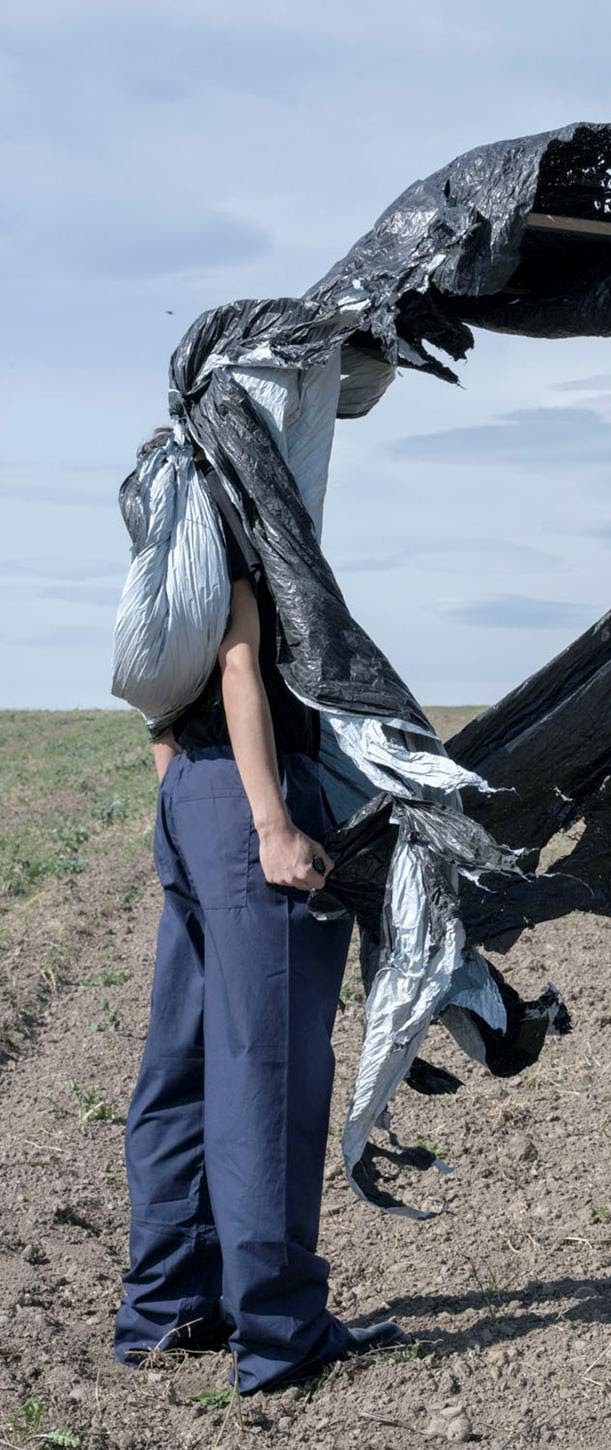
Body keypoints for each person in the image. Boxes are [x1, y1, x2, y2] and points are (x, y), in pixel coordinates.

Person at [113, 449, 410, 1394]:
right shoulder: (239, 504)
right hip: (251, 801)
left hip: (192, 797)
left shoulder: (168, 514)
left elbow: (160, 691)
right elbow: (239, 663)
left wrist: (183, 802)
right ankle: (280, 1336)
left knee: (185, 1062)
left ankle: (167, 1309)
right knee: (268, 1070)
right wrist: (273, 823)